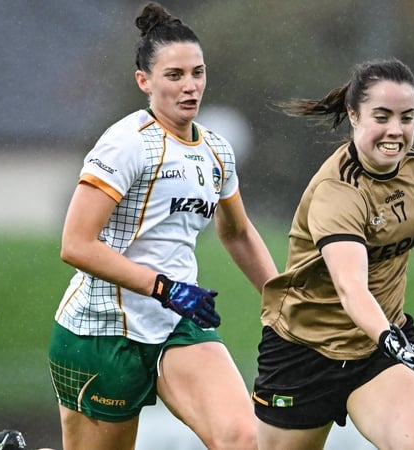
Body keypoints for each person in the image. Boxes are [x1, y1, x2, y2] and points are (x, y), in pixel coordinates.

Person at [252, 58, 414, 450]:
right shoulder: (337, 192)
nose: (395, 130)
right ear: (353, 115)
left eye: (406, 117)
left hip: (377, 355)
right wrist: (387, 338)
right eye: (382, 116)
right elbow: (350, 288)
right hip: (302, 353)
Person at [47, 3, 278, 450]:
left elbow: (237, 232)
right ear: (144, 82)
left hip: (177, 323)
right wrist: (164, 287)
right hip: (102, 331)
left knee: (244, 438)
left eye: (198, 72)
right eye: (175, 75)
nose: (190, 86)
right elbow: (75, 244)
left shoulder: (216, 151)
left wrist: (284, 300)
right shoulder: (125, 145)